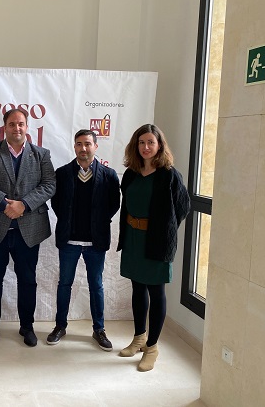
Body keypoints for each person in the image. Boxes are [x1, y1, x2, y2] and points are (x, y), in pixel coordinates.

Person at [0, 109, 56, 347]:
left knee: (28, 280)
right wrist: (4, 204)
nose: (17, 128)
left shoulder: (41, 154)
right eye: (12, 124)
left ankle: (27, 327)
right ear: (5, 127)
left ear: (27, 126)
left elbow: (49, 185)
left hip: (29, 230)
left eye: (21, 124)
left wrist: (24, 205)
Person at [117, 124, 190, 371]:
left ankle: (152, 347)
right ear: (135, 146)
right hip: (133, 238)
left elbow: (183, 207)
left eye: (151, 142)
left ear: (159, 145)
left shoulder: (169, 175)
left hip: (157, 241)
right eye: (141, 142)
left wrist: (163, 229)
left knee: (156, 292)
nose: (146, 147)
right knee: (138, 289)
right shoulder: (131, 173)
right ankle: (139, 338)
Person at [47, 129, 120, 350]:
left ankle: (99, 329)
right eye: (79, 144)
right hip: (69, 241)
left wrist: (97, 223)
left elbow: (113, 205)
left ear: (95, 146)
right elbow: (57, 204)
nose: (83, 148)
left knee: (96, 285)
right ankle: (60, 326)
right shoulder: (62, 173)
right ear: (74, 147)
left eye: (88, 144)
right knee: (64, 284)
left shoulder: (109, 175)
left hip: (95, 242)